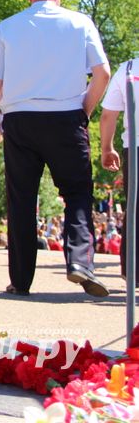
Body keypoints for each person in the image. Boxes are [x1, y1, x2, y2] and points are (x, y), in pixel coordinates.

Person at [0, 0, 111, 298]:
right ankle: (80, 262)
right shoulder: (80, 23)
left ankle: (21, 281)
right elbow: (103, 73)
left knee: (21, 199)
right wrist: (84, 110)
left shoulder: (8, 27)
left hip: (20, 120)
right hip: (66, 117)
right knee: (77, 193)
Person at [100, 55, 139, 281]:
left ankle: (133, 271)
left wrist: (107, 147)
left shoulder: (128, 69)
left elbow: (108, 115)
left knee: (135, 209)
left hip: (134, 147)